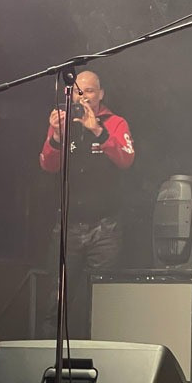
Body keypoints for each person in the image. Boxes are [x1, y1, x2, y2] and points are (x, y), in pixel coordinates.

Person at [38, 69, 134, 338]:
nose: (84, 97)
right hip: (69, 227)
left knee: (102, 302)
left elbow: (126, 159)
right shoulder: (63, 122)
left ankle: (100, 358)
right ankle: (50, 357)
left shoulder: (115, 122)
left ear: (101, 94)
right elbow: (47, 165)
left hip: (105, 229)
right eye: (78, 91)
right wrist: (57, 137)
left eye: (90, 91)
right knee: (57, 300)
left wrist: (98, 131)